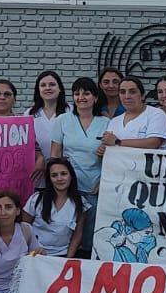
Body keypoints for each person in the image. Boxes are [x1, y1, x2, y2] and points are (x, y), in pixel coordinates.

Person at [50, 77, 110, 255]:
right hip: (68, 185)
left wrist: (104, 181)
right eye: (77, 93)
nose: (81, 97)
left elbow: (113, 157)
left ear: (96, 98)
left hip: (95, 186)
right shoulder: (62, 120)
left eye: (86, 93)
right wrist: (56, 181)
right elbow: (55, 154)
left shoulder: (106, 123)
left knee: (91, 230)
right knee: (68, 227)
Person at [23, 158, 89, 258]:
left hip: (62, 256)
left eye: (63, 174)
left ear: (71, 176)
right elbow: (24, 228)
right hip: (34, 254)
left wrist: (67, 259)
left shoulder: (80, 203)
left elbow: (77, 236)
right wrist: (30, 252)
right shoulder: (36, 199)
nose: (59, 178)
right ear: (49, 179)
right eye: (54, 175)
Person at [101, 77, 166, 153]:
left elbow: (153, 143)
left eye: (132, 92)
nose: (127, 96)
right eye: (122, 92)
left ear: (143, 95)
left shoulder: (156, 114)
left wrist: (117, 142)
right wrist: (102, 150)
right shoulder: (114, 121)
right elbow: (108, 144)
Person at [26, 71, 69, 188]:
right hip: (38, 174)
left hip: (64, 175)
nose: (48, 88)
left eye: (52, 84)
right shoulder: (29, 114)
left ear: (60, 88)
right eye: (43, 85)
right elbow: (26, 144)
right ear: (38, 90)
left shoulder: (71, 111)